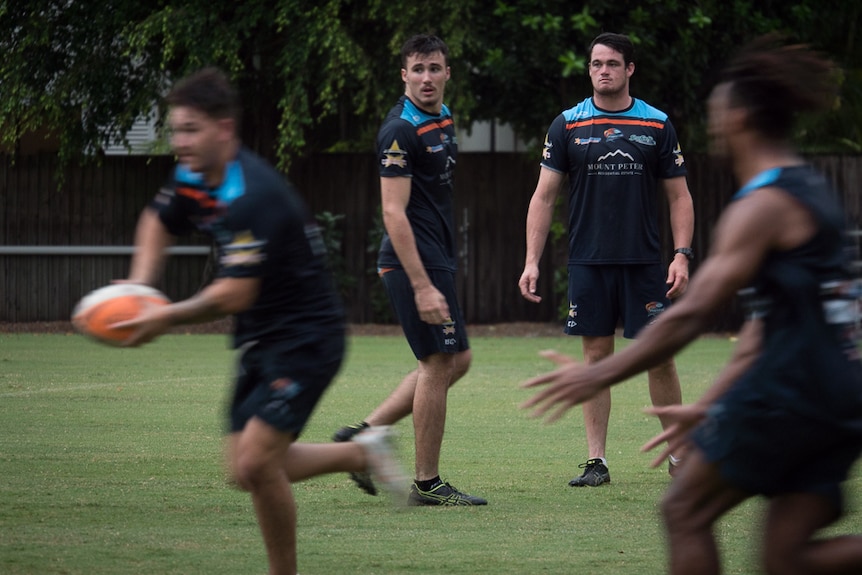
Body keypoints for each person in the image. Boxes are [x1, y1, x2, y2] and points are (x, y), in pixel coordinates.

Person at [522, 36, 862, 575]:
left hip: (796, 398)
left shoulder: (761, 206)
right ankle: (598, 457)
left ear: (744, 118)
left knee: (683, 511)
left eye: (719, 113)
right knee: (788, 558)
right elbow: (762, 327)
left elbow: (696, 312)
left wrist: (601, 373)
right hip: (837, 395)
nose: (714, 125)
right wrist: (715, 403)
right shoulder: (810, 189)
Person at [113, 67, 407, 575]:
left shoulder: (254, 195)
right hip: (260, 336)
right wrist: (141, 286)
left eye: (190, 130)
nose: (178, 143)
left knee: (256, 463)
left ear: (223, 129)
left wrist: (163, 317)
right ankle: (362, 454)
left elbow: (233, 292)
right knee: (245, 470)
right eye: (175, 130)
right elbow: (157, 219)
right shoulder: (193, 175)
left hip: (307, 337)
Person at [518, 32, 695, 486]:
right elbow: (543, 197)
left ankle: (680, 458)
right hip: (588, 262)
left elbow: (679, 196)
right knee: (595, 358)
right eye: (596, 64)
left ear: (629, 69)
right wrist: (531, 260)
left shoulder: (656, 124)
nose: (603, 71)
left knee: (660, 356)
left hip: (643, 263)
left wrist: (681, 255)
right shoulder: (567, 125)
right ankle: (596, 462)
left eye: (613, 64)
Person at [332, 34, 486, 506]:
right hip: (412, 262)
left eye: (434, 68)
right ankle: (427, 484)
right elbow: (393, 213)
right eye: (417, 69)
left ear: (447, 74)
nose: (426, 78)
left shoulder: (442, 118)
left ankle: (366, 435)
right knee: (438, 364)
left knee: (457, 359)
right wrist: (422, 285)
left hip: (434, 257)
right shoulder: (399, 129)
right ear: (404, 75)